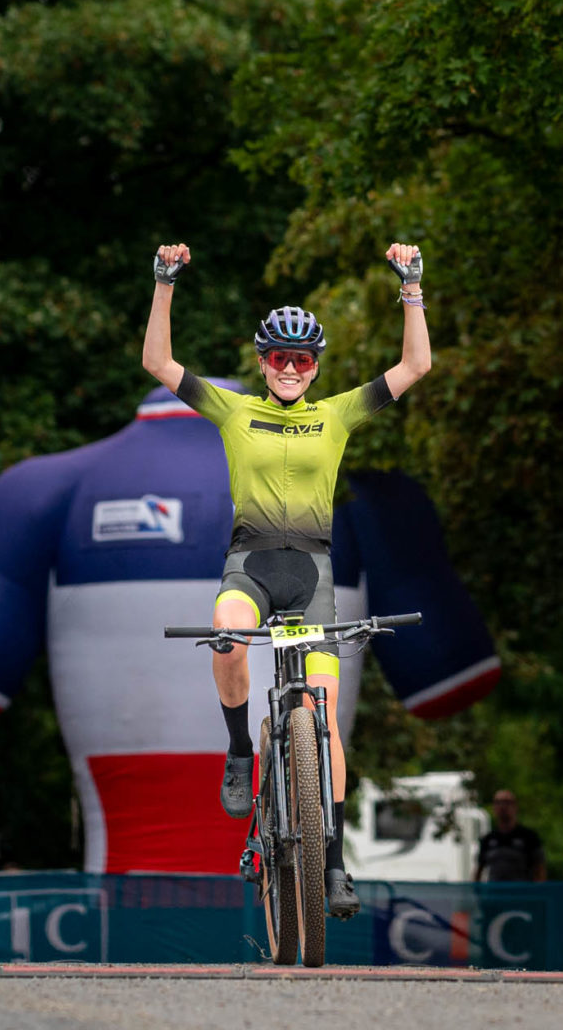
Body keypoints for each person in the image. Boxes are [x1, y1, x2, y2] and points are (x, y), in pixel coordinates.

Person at [142, 237, 431, 920]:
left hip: (313, 573)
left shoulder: (336, 414)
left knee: (323, 718)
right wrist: (164, 282)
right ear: (263, 362)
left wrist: (412, 287)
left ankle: (333, 865)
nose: (292, 369)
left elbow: (416, 365)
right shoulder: (235, 410)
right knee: (227, 635)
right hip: (251, 564)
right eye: (280, 358)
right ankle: (241, 751)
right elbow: (158, 362)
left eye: (303, 359)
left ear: (315, 366)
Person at [475, 789, 545, 882]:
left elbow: (539, 870)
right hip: (495, 890)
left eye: (507, 802)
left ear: (515, 806)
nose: (502, 806)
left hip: (522, 889)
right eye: (498, 803)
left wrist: (539, 889)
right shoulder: (488, 839)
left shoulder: (529, 837)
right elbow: (478, 871)